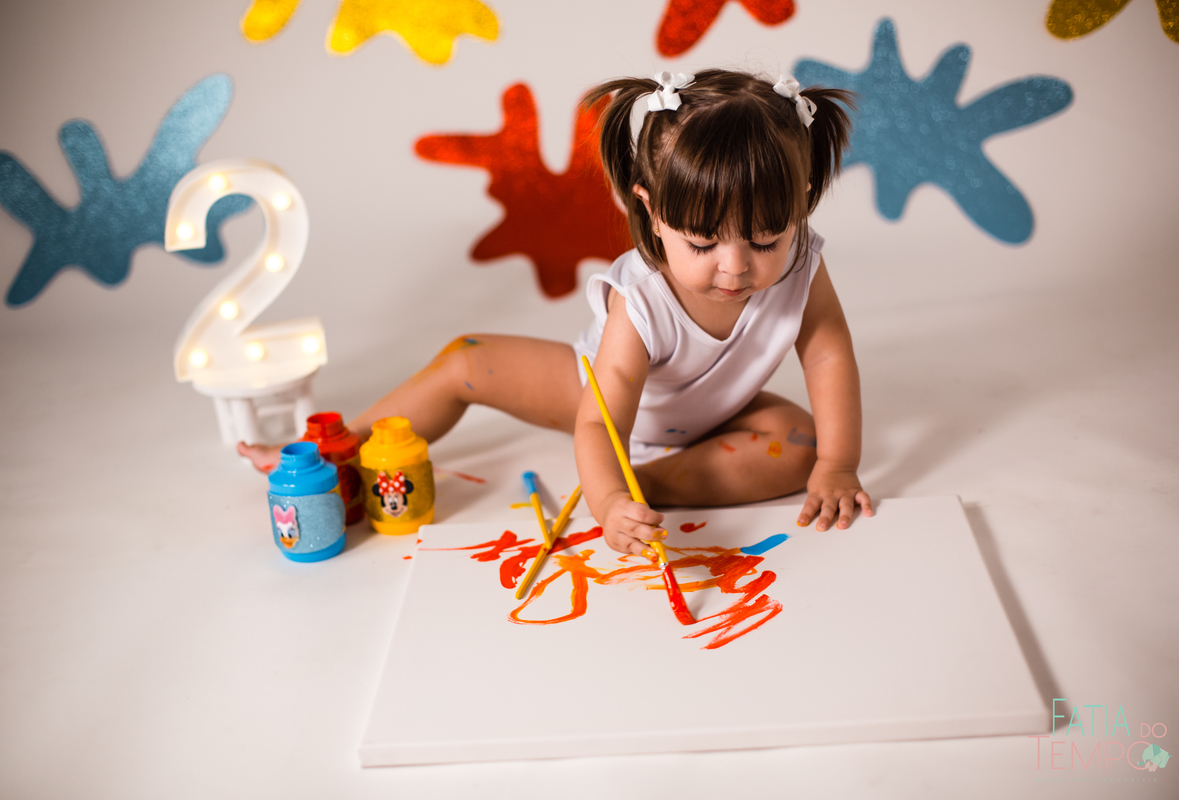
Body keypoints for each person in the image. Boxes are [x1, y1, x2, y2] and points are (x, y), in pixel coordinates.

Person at [240, 69, 873, 558]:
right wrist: (604, 501)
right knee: (467, 360)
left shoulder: (802, 266)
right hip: (592, 397)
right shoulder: (642, 296)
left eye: (765, 239)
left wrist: (836, 465)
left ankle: (650, 485)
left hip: (717, 415)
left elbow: (827, 353)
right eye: (702, 244)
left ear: (804, 203)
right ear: (651, 211)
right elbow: (599, 423)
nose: (735, 268)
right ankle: (333, 449)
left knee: (802, 447)